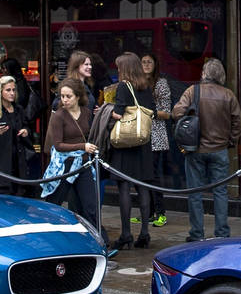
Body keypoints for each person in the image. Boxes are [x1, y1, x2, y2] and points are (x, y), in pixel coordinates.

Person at [178, 57, 241, 241]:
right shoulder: (228, 95)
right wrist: (230, 141)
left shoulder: (193, 91)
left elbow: (177, 112)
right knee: (221, 192)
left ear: (204, 73)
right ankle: (222, 233)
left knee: (195, 193)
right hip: (220, 149)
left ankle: (196, 234)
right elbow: (238, 125)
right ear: (221, 74)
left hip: (195, 149)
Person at [106, 52, 155, 249]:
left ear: (125, 69)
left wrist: (106, 111)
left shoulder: (123, 86)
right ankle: (144, 232)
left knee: (124, 187)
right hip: (142, 143)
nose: (117, 70)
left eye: (119, 67)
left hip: (125, 144)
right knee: (143, 187)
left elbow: (118, 113)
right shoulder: (145, 86)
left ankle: (126, 233)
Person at [46, 80, 102, 232]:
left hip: (83, 164)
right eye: (62, 96)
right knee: (53, 203)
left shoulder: (86, 112)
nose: (64, 100)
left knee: (90, 206)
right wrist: (82, 147)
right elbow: (58, 145)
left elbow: (90, 134)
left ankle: (101, 241)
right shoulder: (58, 116)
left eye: (68, 96)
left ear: (77, 96)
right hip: (64, 165)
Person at [0, 75, 33, 192]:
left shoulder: (19, 110)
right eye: (8, 90)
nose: (12, 93)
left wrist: (26, 131)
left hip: (19, 163)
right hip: (1, 165)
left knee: (21, 198)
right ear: (0, 92)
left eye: (14, 90)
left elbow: (27, 127)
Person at [140, 53, 173, 228]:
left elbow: (167, 113)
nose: (145, 65)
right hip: (140, 136)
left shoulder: (161, 84)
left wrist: (147, 112)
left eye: (149, 62)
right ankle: (148, 213)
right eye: (143, 62)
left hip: (156, 136)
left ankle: (161, 213)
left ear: (155, 65)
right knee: (143, 176)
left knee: (154, 176)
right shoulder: (137, 83)